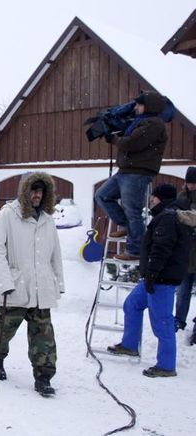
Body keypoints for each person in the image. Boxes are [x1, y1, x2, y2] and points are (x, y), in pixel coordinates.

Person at [0, 172, 65, 397]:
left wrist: (58, 282)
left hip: (41, 288)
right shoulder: (8, 215)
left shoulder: (48, 219)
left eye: (41, 191)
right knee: (2, 330)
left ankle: (44, 376)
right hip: (14, 285)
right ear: (24, 191)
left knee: (44, 336)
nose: (37, 195)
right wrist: (4, 282)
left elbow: (55, 254)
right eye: (33, 190)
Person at [108, 184, 190, 377]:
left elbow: (161, 249)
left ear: (161, 198)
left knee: (162, 322)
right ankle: (129, 345)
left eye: (154, 197)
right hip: (154, 277)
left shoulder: (167, 218)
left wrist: (152, 274)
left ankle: (166, 365)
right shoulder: (164, 216)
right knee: (132, 304)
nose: (151, 199)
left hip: (161, 278)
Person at [95, 90, 168, 261]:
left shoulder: (154, 124)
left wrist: (113, 139)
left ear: (148, 106)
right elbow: (130, 139)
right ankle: (127, 226)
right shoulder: (139, 122)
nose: (135, 107)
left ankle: (135, 250)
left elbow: (133, 143)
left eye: (139, 104)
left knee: (132, 210)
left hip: (138, 172)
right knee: (102, 195)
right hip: (126, 170)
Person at [174, 167, 196, 335]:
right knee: (182, 290)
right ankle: (179, 320)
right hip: (186, 252)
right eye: (189, 183)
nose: (191, 186)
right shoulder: (182, 197)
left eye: (194, 183)